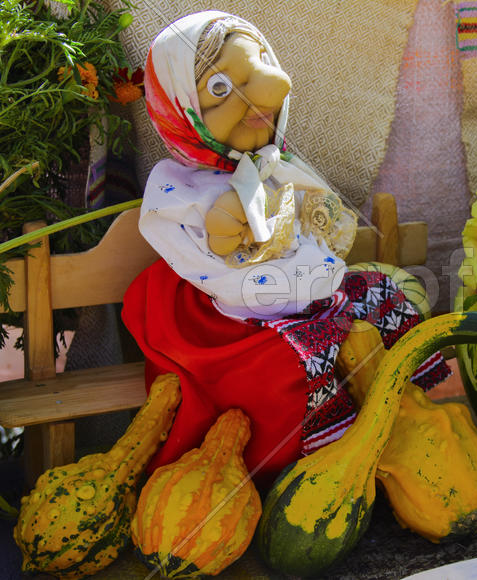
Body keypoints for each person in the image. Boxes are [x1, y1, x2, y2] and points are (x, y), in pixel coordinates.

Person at [123, 11, 448, 486]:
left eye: (260, 63)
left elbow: (329, 226)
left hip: (310, 292)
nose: (268, 88)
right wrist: (227, 226)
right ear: (181, 113)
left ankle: (410, 416)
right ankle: (326, 464)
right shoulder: (183, 190)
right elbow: (215, 264)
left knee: (380, 293)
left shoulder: (280, 165)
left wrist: (309, 223)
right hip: (242, 318)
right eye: (220, 90)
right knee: (298, 358)